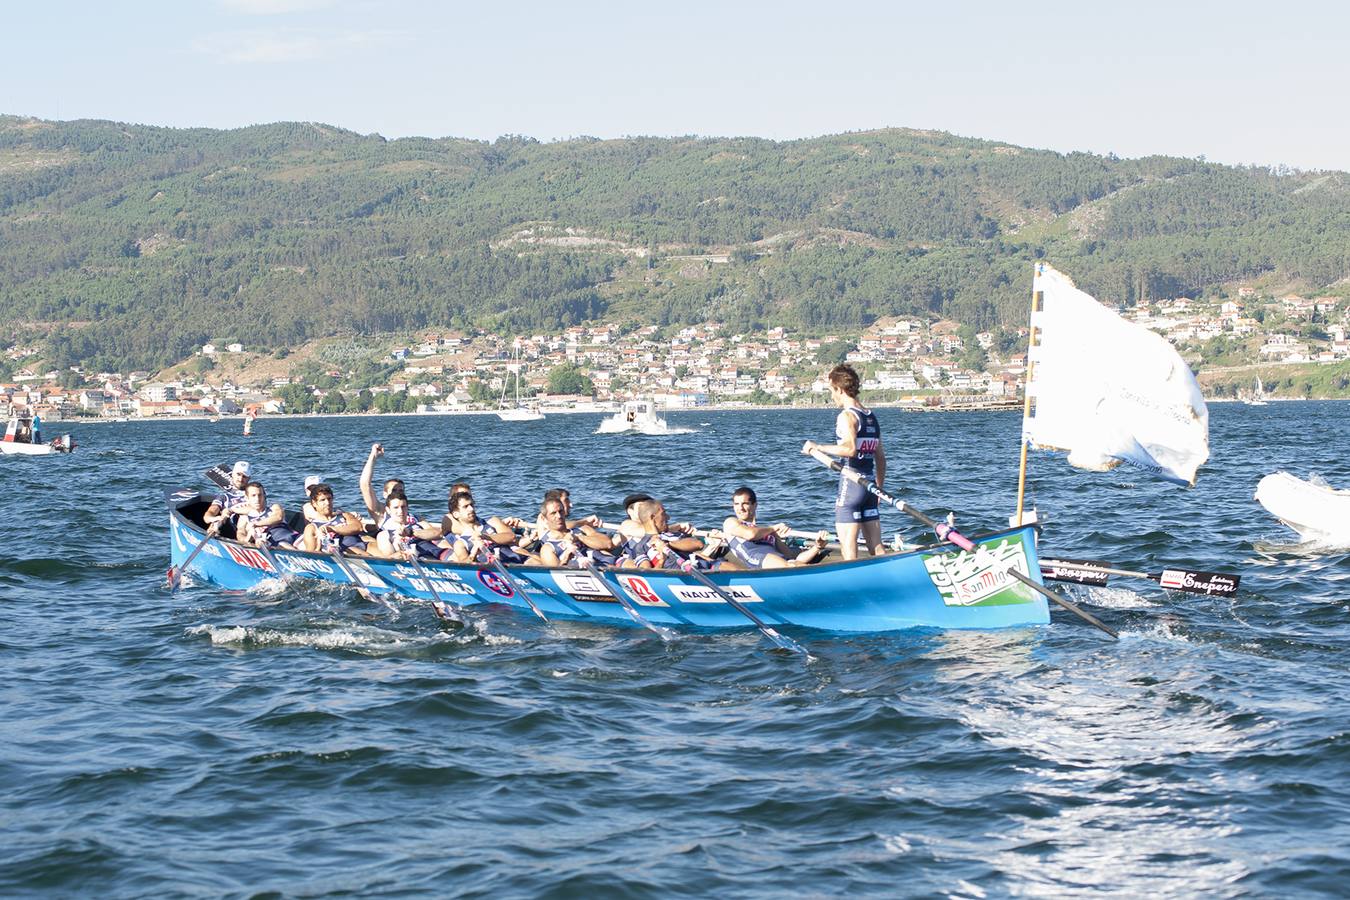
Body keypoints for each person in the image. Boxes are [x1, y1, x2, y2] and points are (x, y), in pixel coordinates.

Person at [802, 363, 886, 560]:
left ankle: (857, 587)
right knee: (877, 548)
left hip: (851, 484)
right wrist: (879, 489)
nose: (832, 396)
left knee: (849, 550)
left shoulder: (847, 416)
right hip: (870, 486)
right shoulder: (871, 416)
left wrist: (817, 447)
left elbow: (849, 449)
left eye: (832, 390)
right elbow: (880, 458)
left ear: (839, 389)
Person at [721, 486, 828, 569]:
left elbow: (791, 556)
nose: (740, 508)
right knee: (790, 566)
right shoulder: (730, 522)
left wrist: (817, 547)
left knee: (793, 563)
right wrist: (773, 529)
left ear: (754, 505)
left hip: (778, 560)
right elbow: (750, 534)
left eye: (745, 504)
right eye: (736, 504)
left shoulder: (765, 531)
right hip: (756, 556)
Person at [439, 491, 538, 564]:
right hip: (493, 569)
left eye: (472, 505)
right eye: (466, 507)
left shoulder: (493, 522)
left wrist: (487, 537)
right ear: (456, 514)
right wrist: (474, 552)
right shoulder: (460, 543)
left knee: (536, 562)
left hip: (518, 560)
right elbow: (465, 564)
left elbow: (511, 537)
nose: (471, 509)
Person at [619, 499, 718, 570]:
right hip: (680, 572)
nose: (644, 508)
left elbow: (697, 547)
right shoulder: (627, 525)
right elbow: (643, 532)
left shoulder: (666, 533)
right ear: (630, 511)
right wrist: (677, 526)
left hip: (695, 565)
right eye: (640, 507)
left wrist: (711, 545)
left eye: (648, 504)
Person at [536, 496, 622, 567]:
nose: (559, 516)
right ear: (544, 519)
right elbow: (556, 576)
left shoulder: (583, 529)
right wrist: (566, 557)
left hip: (612, 563)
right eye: (553, 513)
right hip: (588, 572)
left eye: (561, 511)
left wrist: (579, 537)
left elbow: (608, 544)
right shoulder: (548, 548)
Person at [374, 490, 444, 560]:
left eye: (403, 507)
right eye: (396, 507)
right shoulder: (384, 535)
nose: (400, 511)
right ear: (388, 510)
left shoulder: (419, 524)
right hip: (418, 560)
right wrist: (401, 554)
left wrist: (411, 532)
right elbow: (390, 559)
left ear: (407, 507)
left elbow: (439, 534)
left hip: (437, 553)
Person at [301, 483, 368, 555]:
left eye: (329, 499)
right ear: (314, 503)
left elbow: (358, 528)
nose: (327, 503)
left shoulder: (345, 516)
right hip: (344, 553)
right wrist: (319, 543)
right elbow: (312, 554)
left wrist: (332, 529)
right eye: (322, 500)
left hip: (363, 545)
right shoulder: (312, 528)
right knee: (354, 550)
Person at [234, 482, 301, 549]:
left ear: (264, 496)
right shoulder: (244, 517)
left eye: (260, 495)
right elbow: (240, 534)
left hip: (293, 538)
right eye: (253, 496)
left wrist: (256, 524)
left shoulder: (274, 508)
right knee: (282, 544)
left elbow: (278, 517)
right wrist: (247, 539)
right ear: (247, 498)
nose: (257, 499)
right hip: (273, 544)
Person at [359, 442, 406, 519]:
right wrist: (373, 455)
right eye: (394, 490)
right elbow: (364, 484)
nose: (397, 493)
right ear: (385, 494)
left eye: (401, 490)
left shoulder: (408, 513)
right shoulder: (380, 511)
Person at [204, 461, 252, 530]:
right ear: (232, 474)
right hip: (234, 529)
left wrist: (232, 510)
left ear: (249, 478)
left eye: (244, 476)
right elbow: (209, 515)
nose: (241, 479)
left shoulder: (254, 494)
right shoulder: (224, 497)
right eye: (238, 474)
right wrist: (215, 519)